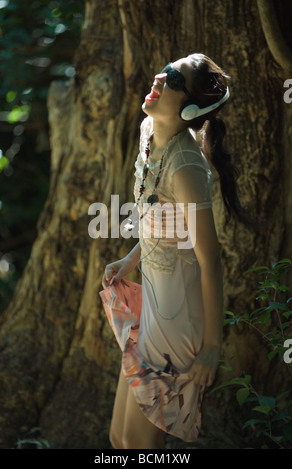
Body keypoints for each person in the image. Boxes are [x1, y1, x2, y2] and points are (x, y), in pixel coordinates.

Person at [100, 53, 243, 449]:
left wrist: (212, 347)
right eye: (166, 68)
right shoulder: (149, 132)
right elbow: (159, 222)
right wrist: (130, 259)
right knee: (119, 440)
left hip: (177, 323)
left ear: (192, 108)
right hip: (149, 306)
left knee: (141, 448)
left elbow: (210, 261)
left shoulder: (185, 166)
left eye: (174, 78)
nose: (160, 76)